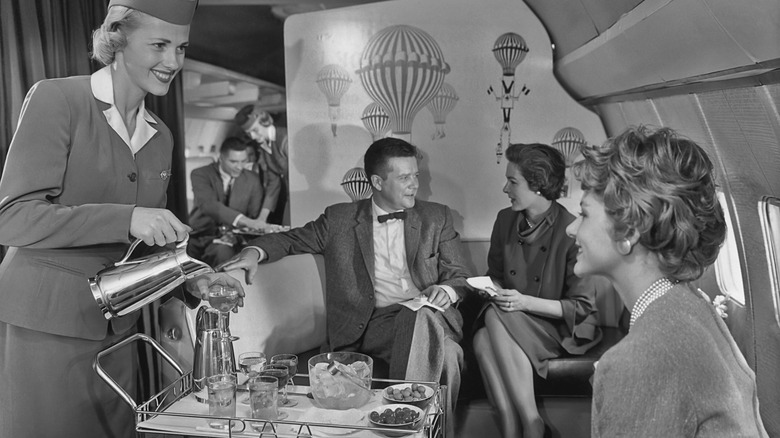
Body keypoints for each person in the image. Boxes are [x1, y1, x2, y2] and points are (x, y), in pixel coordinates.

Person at [0, 2, 245, 437]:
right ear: (117, 37)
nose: (173, 62)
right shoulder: (58, 99)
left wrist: (191, 278)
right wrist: (126, 218)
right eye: (159, 45)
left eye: (181, 48)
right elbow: (12, 217)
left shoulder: (160, 135)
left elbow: (150, 243)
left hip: (121, 328)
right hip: (49, 326)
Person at [219, 137, 471, 436]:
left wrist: (450, 290)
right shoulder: (339, 219)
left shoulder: (436, 217)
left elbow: (460, 275)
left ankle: (406, 428)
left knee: (431, 331)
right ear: (377, 181)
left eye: (416, 175)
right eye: (404, 177)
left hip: (431, 318)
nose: (414, 184)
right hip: (370, 327)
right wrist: (253, 252)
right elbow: (290, 239)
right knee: (440, 342)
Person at [566, 126, 769, 437]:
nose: (571, 229)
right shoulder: (692, 305)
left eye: (584, 214)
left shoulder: (642, 359)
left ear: (629, 233)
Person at [471, 143, 603, 438]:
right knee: (481, 337)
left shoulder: (571, 229)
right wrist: (492, 290)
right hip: (510, 316)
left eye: (512, 181)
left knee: (492, 319)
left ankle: (531, 424)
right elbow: (496, 276)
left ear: (539, 185)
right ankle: (511, 425)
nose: (505, 188)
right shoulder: (505, 220)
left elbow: (580, 307)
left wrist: (522, 302)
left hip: (559, 325)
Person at [187, 136, 287, 267]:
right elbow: (208, 205)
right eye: (233, 162)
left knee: (226, 252)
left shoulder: (252, 179)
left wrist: (238, 235)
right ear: (220, 157)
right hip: (202, 235)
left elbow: (253, 215)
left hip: (234, 238)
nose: (239, 167)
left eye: (243, 161)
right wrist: (247, 222)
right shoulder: (201, 174)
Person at [234, 105, 289, 226]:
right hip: (291, 199)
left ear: (266, 122)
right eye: (249, 134)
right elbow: (273, 184)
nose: (253, 137)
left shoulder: (285, 139)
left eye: (255, 130)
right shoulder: (264, 146)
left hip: (301, 195)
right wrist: (261, 219)